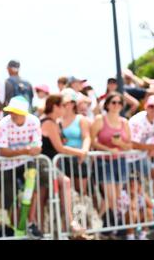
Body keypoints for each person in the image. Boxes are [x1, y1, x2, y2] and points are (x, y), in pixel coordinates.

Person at [0, 96, 43, 239]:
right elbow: (3, 151)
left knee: (33, 191)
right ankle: (18, 230)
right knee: (11, 200)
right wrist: (26, 150)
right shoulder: (3, 123)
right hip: (7, 166)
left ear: (24, 113)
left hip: (26, 163)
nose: (12, 114)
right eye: (11, 111)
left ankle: (30, 223)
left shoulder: (34, 121)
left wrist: (29, 150)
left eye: (16, 111)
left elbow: (37, 148)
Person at [40, 95, 87, 237]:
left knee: (43, 199)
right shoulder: (48, 122)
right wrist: (80, 152)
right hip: (45, 164)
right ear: (55, 106)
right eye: (63, 105)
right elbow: (60, 148)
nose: (65, 108)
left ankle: (49, 231)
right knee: (65, 182)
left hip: (49, 164)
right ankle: (71, 223)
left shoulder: (54, 122)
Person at [90, 92, 132, 229]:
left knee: (116, 197)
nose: (117, 105)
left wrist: (119, 144)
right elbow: (92, 141)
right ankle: (97, 226)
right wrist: (107, 149)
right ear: (107, 104)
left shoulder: (124, 122)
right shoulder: (99, 119)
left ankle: (107, 227)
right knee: (111, 197)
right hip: (104, 162)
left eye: (119, 103)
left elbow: (129, 145)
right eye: (113, 102)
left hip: (120, 162)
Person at [60, 89, 91, 195]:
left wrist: (84, 152)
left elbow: (86, 137)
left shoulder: (80, 119)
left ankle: (85, 211)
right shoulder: (58, 120)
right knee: (68, 191)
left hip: (79, 158)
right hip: (63, 158)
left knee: (82, 191)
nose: (65, 105)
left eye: (68, 102)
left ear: (73, 104)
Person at [128, 95, 154, 195]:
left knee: (153, 177)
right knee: (131, 187)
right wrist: (153, 147)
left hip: (141, 157)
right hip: (127, 158)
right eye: (151, 106)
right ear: (146, 106)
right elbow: (133, 144)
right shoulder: (137, 121)